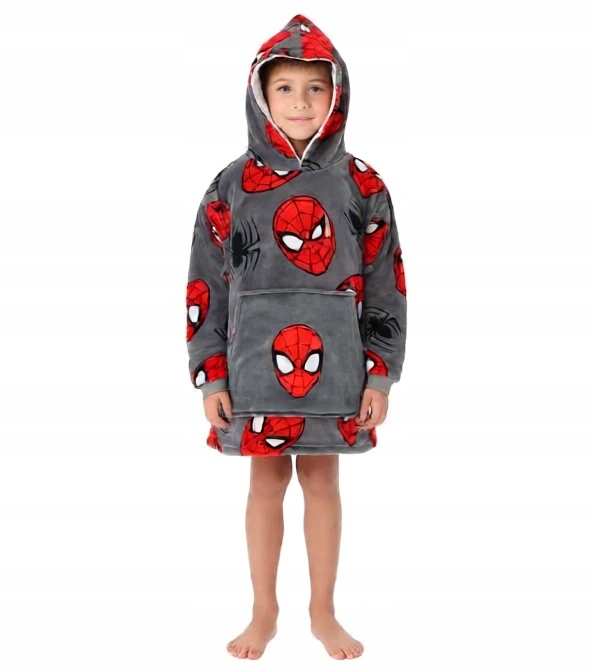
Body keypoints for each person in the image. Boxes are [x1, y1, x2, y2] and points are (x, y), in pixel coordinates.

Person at [186, 14, 407, 660]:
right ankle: (264, 611)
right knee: (264, 485)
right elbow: (205, 284)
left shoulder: (363, 184)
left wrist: (380, 372)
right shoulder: (229, 186)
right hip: (254, 369)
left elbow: (387, 283)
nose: (301, 102)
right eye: (285, 87)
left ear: (337, 95)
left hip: (335, 369)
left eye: (316, 88)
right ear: (261, 94)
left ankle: (322, 611)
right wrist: (211, 373)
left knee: (322, 483)